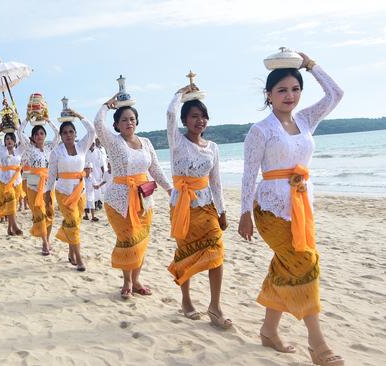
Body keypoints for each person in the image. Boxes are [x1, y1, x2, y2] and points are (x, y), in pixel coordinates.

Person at [238, 53, 344, 365]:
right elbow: (248, 174)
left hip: (300, 207)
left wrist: (311, 66)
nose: (290, 95)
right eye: (282, 90)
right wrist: (245, 213)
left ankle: (269, 330)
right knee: (305, 262)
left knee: (286, 266)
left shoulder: (307, 119)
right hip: (270, 209)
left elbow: (336, 94)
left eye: (295, 89)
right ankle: (318, 344)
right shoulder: (261, 130)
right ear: (269, 95)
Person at [165, 85, 231, 329]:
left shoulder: (212, 147)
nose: (199, 120)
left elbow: (216, 182)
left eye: (203, 116)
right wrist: (178, 95)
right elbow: (170, 115)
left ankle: (215, 305)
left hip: (207, 208)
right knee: (186, 254)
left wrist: (222, 210)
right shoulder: (177, 142)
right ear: (184, 120)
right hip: (183, 207)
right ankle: (186, 300)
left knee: (217, 253)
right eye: (194, 116)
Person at [95, 96, 172, 299]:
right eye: (124, 120)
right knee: (128, 240)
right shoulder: (113, 142)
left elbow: (155, 169)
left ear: (137, 121)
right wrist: (106, 105)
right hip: (119, 201)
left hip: (144, 200)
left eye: (132, 119)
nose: (129, 123)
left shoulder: (146, 142)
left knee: (141, 241)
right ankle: (127, 281)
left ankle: (136, 280)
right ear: (116, 125)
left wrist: (169, 189)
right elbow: (97, 123)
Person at [44, 109, 95, 272]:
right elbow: (51, 174)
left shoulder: (82, 147)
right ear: (61, 135)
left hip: (80, 191)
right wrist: (47, 193)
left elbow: (92, 130)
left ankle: (71, 252)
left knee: (76, 223)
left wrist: (79, 115)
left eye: (71, 131)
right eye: (65, 132)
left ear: (75, 133)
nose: (68, 135)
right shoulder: (56, 152)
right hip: (63, 192)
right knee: (72, 222)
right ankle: (79, 259)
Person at [17, 118, 60, 255]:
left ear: (45, 135)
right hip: (33, 182)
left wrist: (48, 121)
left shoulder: (49, 149)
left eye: (41, 133)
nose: (39, 136)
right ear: (33, 137)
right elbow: (19, 131)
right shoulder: (29, 149)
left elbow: (58, 135)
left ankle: (47, 239)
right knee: (39, 213)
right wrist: (27, 118)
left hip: (48, 183)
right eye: (36, 134)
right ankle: (44, 243)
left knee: (50, 212)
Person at [0, 130, 24, 235]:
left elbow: (25, 140)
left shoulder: (19, 151)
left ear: (14, 140)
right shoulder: (1, 150)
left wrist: (17, 129)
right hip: (5, 181)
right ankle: (15, 226)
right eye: (7, 139)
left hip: (17, 181)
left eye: (11, 139)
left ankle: (9, 228)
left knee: (13, 204)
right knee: (11, 201)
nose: (9, 141)